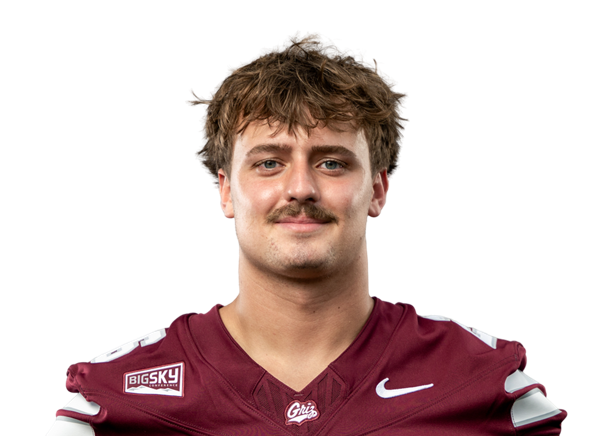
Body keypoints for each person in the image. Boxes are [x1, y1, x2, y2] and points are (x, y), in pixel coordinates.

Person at [47, 32, 567, 435]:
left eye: (332, 163)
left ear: (378, 190)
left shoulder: (482, 381)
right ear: (225, 191)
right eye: (269, 162)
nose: (300, 188)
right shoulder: (116, 399)